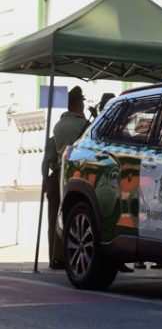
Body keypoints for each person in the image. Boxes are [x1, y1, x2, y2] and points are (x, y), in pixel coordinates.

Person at [44, 86, 89, 269]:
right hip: (73, 173)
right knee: (71, 217)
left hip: (56, 174)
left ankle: (54, 256)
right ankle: (67, 256)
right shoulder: (82, 125)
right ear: (79, 104)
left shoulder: (58, 125)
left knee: (53, 217)